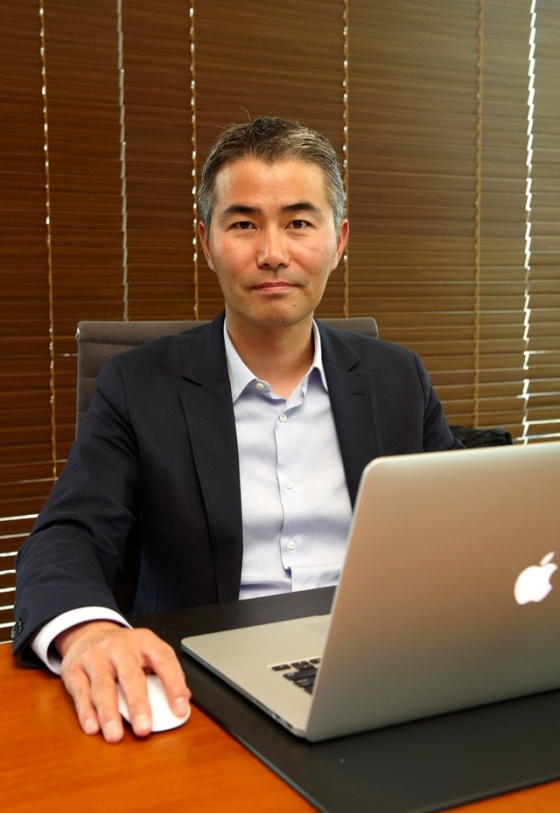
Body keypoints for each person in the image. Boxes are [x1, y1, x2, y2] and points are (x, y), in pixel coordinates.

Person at [12, 116, 462, 743]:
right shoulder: (137, 386)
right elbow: (68, 537)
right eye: (244, 224)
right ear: (206, 241)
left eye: (299, 223)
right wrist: (90, 632)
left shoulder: (397, 378)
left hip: (378, 670)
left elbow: (460, 529)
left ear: (339, 240)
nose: (272, 252)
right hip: (200, 688)